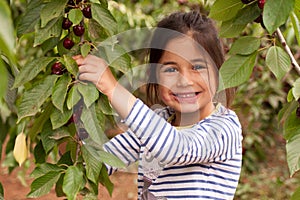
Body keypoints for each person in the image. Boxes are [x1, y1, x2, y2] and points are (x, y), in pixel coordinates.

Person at [74, 10, 243, 200]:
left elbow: (174, 148)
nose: (184, 81)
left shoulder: (223, 127)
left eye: (197, 67)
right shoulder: (159, 122)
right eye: (171, 69)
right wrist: (73, 119)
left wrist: (114, 89)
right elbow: (98, 163)